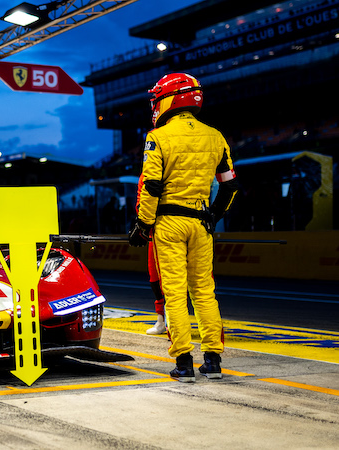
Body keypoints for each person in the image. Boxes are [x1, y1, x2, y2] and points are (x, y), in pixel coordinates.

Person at [128, 73, 239, 382]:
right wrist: (214, 215)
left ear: (168, 100)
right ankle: (213, 361)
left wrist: (143, 225)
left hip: (169, 223)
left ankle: (184, 363)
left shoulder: (157, 136)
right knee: (204, 291)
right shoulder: (215, 136)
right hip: (201, 222)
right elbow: (230, 186)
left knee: (175, 293)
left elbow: (151, 185)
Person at [135, 170, 167, 335]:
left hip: (168, 228)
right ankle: (162, 320)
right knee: (155, 279)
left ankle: (176, 325)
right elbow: (141, 202)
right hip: (157, 231)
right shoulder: (147, 174)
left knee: (193, 282)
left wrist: (141, 226)